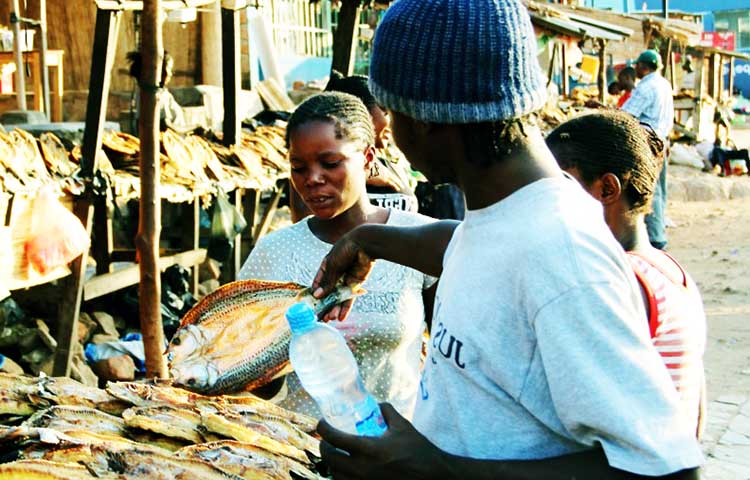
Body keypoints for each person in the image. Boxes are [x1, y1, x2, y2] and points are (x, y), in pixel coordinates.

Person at [309, 1, 702, 478]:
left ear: (428, 119)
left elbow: (668, 469)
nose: (391, 135)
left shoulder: (562, 254)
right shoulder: (510, 209)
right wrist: (370, 239)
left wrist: (438, 471)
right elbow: (477, 248)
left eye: (392, 114)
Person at [238, 91, 437, 419]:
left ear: (368, 158)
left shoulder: (415, 240)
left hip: (400, 449)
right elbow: (258, 387)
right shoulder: (274, 254)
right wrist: (278, 346)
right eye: (298, 167)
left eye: (330, 163)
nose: (313, 179)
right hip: (305, 453)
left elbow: (451, 351)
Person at [546, 110, 707, 438]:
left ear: (607, 189)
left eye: (558, 187)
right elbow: (697, 408)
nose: (545, 203)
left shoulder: (621, 280)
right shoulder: (669, 269)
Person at [289, 71, 419, 222]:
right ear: (358, 116)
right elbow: (306, 226)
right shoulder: (321, 176)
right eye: (384, 112)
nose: (389, 121)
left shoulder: (392, 164)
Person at [621, 50, 674, 250]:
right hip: (662, 140)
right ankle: (658, 232)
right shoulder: (663, 84)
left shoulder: (646, 88)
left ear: (643, 66)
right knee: (659, 189)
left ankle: (655, 238)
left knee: (646, 189)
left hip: (647, 142)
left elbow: (626, 115)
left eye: (637, 66)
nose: (636, 69)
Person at [126, 51, 198, 135]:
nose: (171, 74)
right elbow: (165, 127)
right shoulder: (154, 94)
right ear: (158, 69)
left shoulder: (160, 92)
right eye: (169, 69)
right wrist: (193, 129)